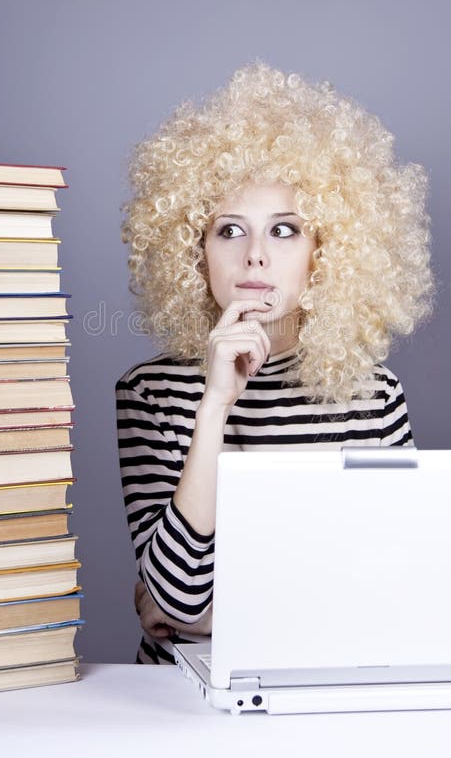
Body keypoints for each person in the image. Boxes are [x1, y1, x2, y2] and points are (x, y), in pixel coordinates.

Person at [116, 63, 434, 664]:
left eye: (285, 230)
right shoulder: (152, 393)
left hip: (325, 686)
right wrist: (214, 406)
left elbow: (390, 594)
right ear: (194, 253)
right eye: (229, 230)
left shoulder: (374, 398)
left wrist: (218, 612)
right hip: (172, 707)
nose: (255, 256)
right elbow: (182, 600)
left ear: (326, 252)